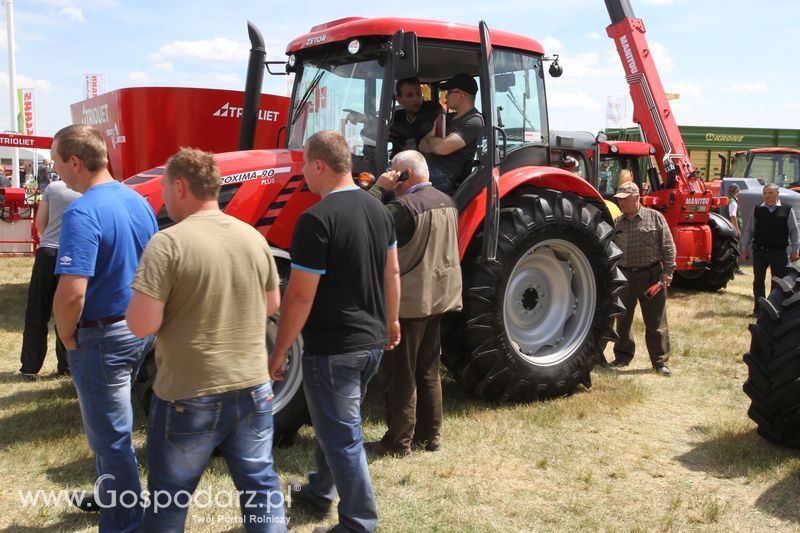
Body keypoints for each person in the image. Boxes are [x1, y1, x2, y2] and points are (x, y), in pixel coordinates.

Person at [126, 148, 286, 531]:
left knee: (169, 497)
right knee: (260, 486)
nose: (163, 197)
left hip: (189, 393)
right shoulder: (252, 236)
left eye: (165, 187)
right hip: (252, 387)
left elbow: (142, 325)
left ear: (180, 186)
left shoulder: (168, 243)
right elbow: (271, 304)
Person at [269, 131, 400, 532]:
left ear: (320, 165)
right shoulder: (379, 210)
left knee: (342, 436)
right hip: (371, 343)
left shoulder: (315, 219)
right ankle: (319, 493)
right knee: (336, 424)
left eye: (305, 164)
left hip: (334, 348)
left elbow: (299, 298)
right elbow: (392, 271)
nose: (303, 173)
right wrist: (392, 320)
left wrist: (280, 352)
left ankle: (359, 523)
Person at [51, 124, 157, 531]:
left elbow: (71, 293)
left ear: (75, 162)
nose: (57, 171)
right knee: (110, 428)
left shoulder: (82, 210)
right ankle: (110, 497)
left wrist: (66, 335)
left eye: (58, 162)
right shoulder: (137, 201)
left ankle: (125, 523)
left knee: (111, 438)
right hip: (137, 329)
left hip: (103, 336)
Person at [365, 150, 462, 457]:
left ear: (404, 174)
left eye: (395, 172)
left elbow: (363, 216)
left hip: (408, 302)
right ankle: (429, 437)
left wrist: (380, 187)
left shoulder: (403, 207)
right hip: (439, 297)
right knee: (428, 371)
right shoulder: (448, 201)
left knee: (400, 375)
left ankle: (398, 443)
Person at [610, 181, 676, 376]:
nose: (620, 203)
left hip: (651, 275)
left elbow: (668, 247)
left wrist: (668, 272)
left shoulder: (655, 218)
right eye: (619, 200)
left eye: (624, 199)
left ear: (637, 198)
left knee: (656, 322)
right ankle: (622, 356)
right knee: (622, 319)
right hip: (624, 276)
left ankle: (660, 362)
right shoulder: (617, 222)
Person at [19, 177, 81, 378]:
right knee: (69, 310)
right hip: (73, 254)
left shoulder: (53, 188)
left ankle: (30, 366)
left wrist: (51, 238)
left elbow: (39, 223)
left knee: (37, 309)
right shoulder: (88, 190)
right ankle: (67, 366)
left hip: (48, 252)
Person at [740, 183, 800, 315]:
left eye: (770, 193)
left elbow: (794, 231)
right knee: (758, 281)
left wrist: (796, 249)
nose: (767, 196)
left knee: (778, 282)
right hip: (760, 251)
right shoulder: (758, 210)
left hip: (779, 252)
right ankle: (758, 310)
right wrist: (743, 249)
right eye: (765, 193)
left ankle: (773, 310)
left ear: (777, 194)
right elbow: (749, 231)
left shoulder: (786, 210)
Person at [418, 73, 484, 193]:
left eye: (448, 92)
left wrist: (432, 141)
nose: (445, 97)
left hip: (446, 177)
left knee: (401, 175)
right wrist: (436, 142)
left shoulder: (474, 121)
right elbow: (422, 145)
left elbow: (441, 148)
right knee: (394, 170)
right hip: (430, 169)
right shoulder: (447, 117)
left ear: (460, 95)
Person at [389, 77, 441, 152]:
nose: (416, 99)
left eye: (418, 93)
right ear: (399, 99)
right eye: (410, 95)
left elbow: (415, 130)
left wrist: (386, 125)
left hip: (424, 161)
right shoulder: (398, 115)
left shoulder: (432, 109)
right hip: (400, 160)